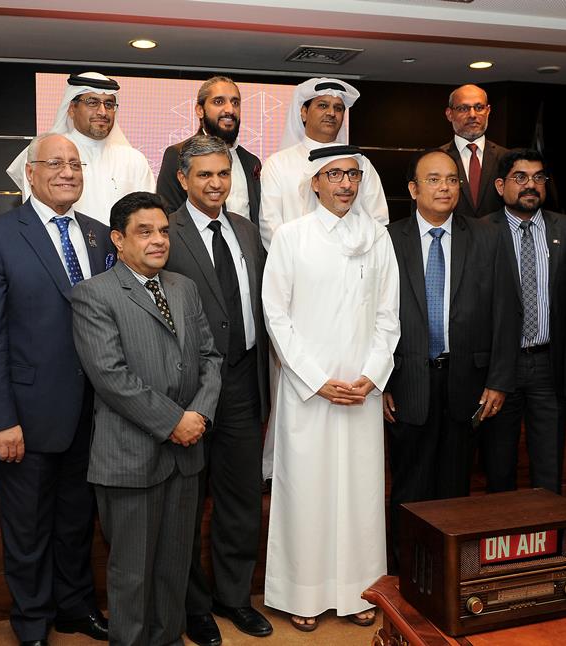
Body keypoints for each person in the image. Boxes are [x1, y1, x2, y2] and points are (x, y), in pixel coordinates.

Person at [0, 133, 112, 645]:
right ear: (30, 173)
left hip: (93, 413)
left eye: (76, 163)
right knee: (26, 529)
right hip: (24, 415)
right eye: (55, 163)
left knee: (76, 522)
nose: (68, 171)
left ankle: (74, 607)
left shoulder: (99, 235)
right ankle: (30, 621)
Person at [71, 191, 223, 646]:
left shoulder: (183, 287)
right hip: (130, 458)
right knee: (133, 576)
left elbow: (211, 358)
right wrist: (175, 421)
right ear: (118, 239)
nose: (158, 240)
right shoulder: (93, 295)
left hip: (185, 456)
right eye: (145, 231)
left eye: (163, 231)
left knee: (174, 569)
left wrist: (199, 414)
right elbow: (110, 377)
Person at [263, 145, 400, 632]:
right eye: (335, 174)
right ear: (314, 183)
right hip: (310, 392)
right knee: (306, 492)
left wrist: (372, 374)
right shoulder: (290, 237)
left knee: (360, 496)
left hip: (360, 392)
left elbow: (389, 316)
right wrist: (316, 380)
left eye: (353, 175)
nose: (345, 183)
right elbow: (276, 316)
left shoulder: (377, 237)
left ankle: (357, 591)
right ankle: (303, 593)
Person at [383, 149, 518, 567]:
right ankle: (406, 572)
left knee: (456, 488)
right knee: (409, 485)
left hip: (468, 382)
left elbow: (507, 311)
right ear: (412, 189)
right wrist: (381, 381)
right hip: (406, 381)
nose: (445, 187)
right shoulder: (387, 239)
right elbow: (369, 314)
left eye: (452, 180)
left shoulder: (488, 236)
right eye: (434, 179)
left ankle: (449, 573)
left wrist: (498, 380)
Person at [164, 135, 271, 646]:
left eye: (223, 174)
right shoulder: (167, 229)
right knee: (189, 499)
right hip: (189, 389)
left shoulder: (248, 232)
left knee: (241, 498)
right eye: (204, 175)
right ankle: (195, 606)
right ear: (183, 179)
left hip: (246, 382)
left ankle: (234, 597)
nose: (215, 184)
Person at [481, 149, 566, 494]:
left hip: (548, 364)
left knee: (549, 464)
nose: (531, 185)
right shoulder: (480, 232)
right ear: (500, 185)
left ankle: (547, 544)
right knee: (497, 465)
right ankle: (503, 540)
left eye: (538, 178)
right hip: (498, 367)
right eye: (520, 177)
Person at [6, 71, 154, 224]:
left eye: (109, 104)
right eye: (92, 102)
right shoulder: (42, 155)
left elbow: (147, 217)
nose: (102, 112)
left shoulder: (134, 159)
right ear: (71, 109)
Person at [258, 77, 389, 249]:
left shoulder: (360, 163)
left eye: (338, 108)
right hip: (297, 266)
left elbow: (377, 219)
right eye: (322, 105)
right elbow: (270, 225)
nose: (331, 113)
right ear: (303, 112)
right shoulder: (278, 163)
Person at [157, 76, 263, 226]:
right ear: (200, 110)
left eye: (235, 102)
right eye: (219, 102)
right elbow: (169, 218)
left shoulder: (251, 161)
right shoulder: (177, 154)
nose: (229, 109)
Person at [440, 84, 507, 219]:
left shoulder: (507, 158)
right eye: (463, 108)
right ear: (449, 114)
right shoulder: (435, 159)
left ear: (488, 111)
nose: (472, 115)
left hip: (496, 238)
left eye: (479, 107)